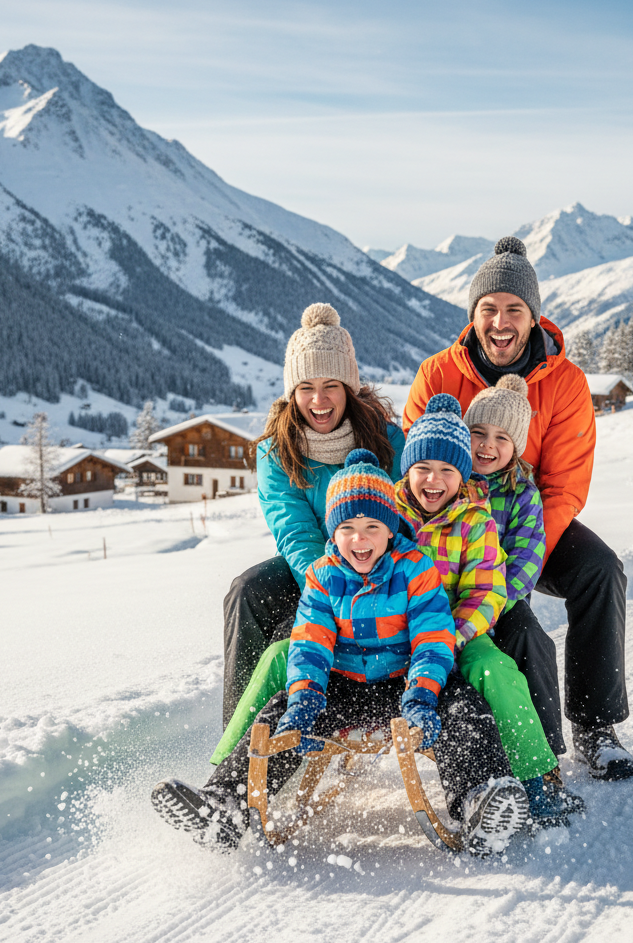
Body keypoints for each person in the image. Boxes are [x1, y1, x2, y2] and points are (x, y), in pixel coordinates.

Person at [152, 450, 530, 856]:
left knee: (464, 709)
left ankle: (478, 802)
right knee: (278, 713)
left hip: (407, 684)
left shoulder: (416, 569)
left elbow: (433, 638)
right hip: (343, 687)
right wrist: (304, 696)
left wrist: (423, 692)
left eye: (372, 526)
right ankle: (225, 808)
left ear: (390, 530)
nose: (359, 539)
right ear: (333, 533)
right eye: (347, 527)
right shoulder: (323, 575)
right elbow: (309, 643)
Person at [403, 237, 633, 780]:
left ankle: (595, 726)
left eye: (514, 309)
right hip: (451, 527)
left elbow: (563, 487)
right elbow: (413, 468)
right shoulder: (438, 374)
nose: (500, 322)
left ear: (534, 317)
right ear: (473, 315)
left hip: (525, 522)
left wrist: (514, 568)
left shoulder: (566, 382)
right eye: (489, 308)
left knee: (601, 570)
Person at [395, 393, 577, 825]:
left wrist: (458, 632)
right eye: (423, 468)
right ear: (406, 470)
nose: (434, 480)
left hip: (466, 626)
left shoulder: (481, 515)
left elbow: (493, 583)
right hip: (395, 635)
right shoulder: (388, 516)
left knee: (502, 666)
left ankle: (538, 776)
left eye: (447, 470)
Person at [222, 302, 405, 724]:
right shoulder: (276, 450)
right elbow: (295, 532)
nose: (318, 400)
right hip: (310, 568)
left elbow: (404, 517)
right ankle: (241, 727)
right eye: (306, 387)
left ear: (349, 389)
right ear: (292, 392)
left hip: (381, 565)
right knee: (246, 590)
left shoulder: (386, 441)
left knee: (296, 632)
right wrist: (327, 592)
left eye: (331, 386)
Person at [464, 374, 566, 759]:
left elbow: (526, 559)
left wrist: (491, 606)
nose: (487, 445)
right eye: (478, 432)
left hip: (500, 599)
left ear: (517, 446)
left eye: (501, 437)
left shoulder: (522, 493)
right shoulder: (450, 481)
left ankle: (545, 751)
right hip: (447, 597)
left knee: (530, 638)